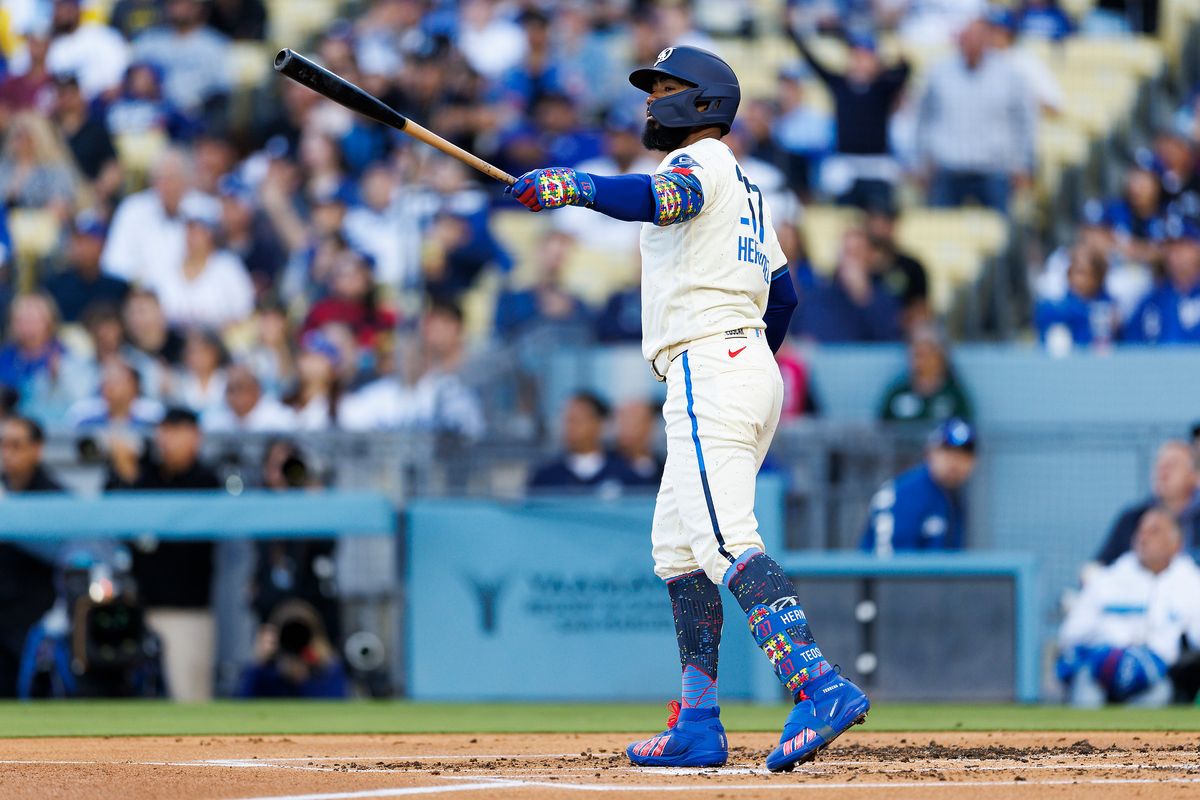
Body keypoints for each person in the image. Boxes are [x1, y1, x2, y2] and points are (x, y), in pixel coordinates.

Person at [507, 45, 868, 771]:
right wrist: (750, 356)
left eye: (665, 87)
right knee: (678, 552)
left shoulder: (701, 164)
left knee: (725, 539)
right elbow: (786, 295)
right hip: (740, 364)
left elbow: (656, 198)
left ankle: (816, 682)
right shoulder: (746, 189)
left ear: (704, 102)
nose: (651, 100)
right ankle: (698, 720)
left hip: (711, 363)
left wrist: (573, 186)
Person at [104, 406, 221, 702]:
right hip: (140, 605)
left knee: (189, 697)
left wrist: (133, 478)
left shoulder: (206, 479)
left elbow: (176, 524)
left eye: (177, 432)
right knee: (132, 698)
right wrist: (123, 474)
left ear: (195, 437)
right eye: (164, 432)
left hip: (187, 609)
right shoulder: (148, 473)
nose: (168, 440)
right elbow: (115, 519)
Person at [1058, 508, 1200, 707]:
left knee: (1159, 695)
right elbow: (1070, 633)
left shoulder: (1191, 581)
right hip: (1102, 672)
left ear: (1175, 544)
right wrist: (1107, 649)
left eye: (1154, 531)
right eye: (1141, 531)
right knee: (1086, 691)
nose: (1144, 537)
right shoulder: (1110, 577)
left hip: (1157, 676)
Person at [916, 19, 1036, 212]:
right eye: (968, 37)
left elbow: (1023, 121)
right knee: (943, 230)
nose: (973, 43)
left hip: (994, 169)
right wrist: (922, 161)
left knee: (1000, 235)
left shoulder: (1009, 75)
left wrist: (1023, 163)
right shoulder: (939, 73)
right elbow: (924, 119)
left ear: (987, 40)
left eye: (978, 38)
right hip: (949, 168)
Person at [786, 28, 909, 209]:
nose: (859, 62)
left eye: (864, 57)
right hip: (846, 165)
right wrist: (793, 31)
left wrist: (883, 65)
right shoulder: (839, 84)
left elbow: (905, 68)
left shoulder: (883, 87)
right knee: (844, 212)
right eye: (855, 56)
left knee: (879, 210)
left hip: (877, 166)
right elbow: (813, 62)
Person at [0, 417, 63, 697]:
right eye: (2, 445)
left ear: (37, 449)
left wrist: (11, 516)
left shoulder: (55, 496)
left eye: (16, 445)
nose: (7, 453)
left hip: (36, 615)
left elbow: (62, 552)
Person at [861, 418, 977, 555]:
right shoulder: (904, 495)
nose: (955, 462)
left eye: (964, 455)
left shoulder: (953, 496)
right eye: (948, 452)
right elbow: (888, 565)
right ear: (930, 452)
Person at [150, 193, 255, 330]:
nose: (192, 236)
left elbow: (245, 314)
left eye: (199, 230)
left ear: (211, 233)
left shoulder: (228, 267)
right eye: (189, 229)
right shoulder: (166, 265)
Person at [1096, 441, 1200, 564]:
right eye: (1159, 466)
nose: (1163, 473)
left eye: (1172, 466)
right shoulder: (1132, 517)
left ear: (1194, 475)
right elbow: (1101, 564)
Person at [793, 228, 903, 343]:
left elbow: (888, 340)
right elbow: (804, 332)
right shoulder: (818, 295)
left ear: (870, 258)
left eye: (856, 253)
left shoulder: (885, 298)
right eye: (847, 253)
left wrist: (863, 297)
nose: (850, 261)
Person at [527, 391, 642, 493]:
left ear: (598, 424)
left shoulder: (626, 473)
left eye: (577, 420)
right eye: (566, 420)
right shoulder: (546, 477)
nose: (569, 427)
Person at [1123, 216, 1200, 344]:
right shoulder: (1151, 303)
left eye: (1183, 245)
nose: (1176, 254)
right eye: (1170, 247)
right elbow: (1130, 348)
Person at [42, 214, 128, 323]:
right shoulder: (54, 285)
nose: (80, 248)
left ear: (103, 245)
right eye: (76, 241)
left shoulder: (118, 288)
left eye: (88, 242)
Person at [878, 325, 974, 422]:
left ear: (939, 357)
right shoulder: (898, 392)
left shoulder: (953, 396)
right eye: (916, 354)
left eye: (924, 354)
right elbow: (881, 429)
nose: (918, 361)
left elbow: (965, 429)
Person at [1034, 245, 1120, 348]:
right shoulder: (1054, 307)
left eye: (1083, 273)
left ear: (1099, 277)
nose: (1077, 279)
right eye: (1073, 272)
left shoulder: (1110, 306)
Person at [202, 363, 295, 433]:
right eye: (231, 390)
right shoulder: (215, 421)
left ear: (257, 391)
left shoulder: (281, 420)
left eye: (241, 389)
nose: (236, 396)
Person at [614, 398, 664, 486]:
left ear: (650, 426)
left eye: (634, 421)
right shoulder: (606, 467)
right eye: (624, 421)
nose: (627, 428)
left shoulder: (665, 467)